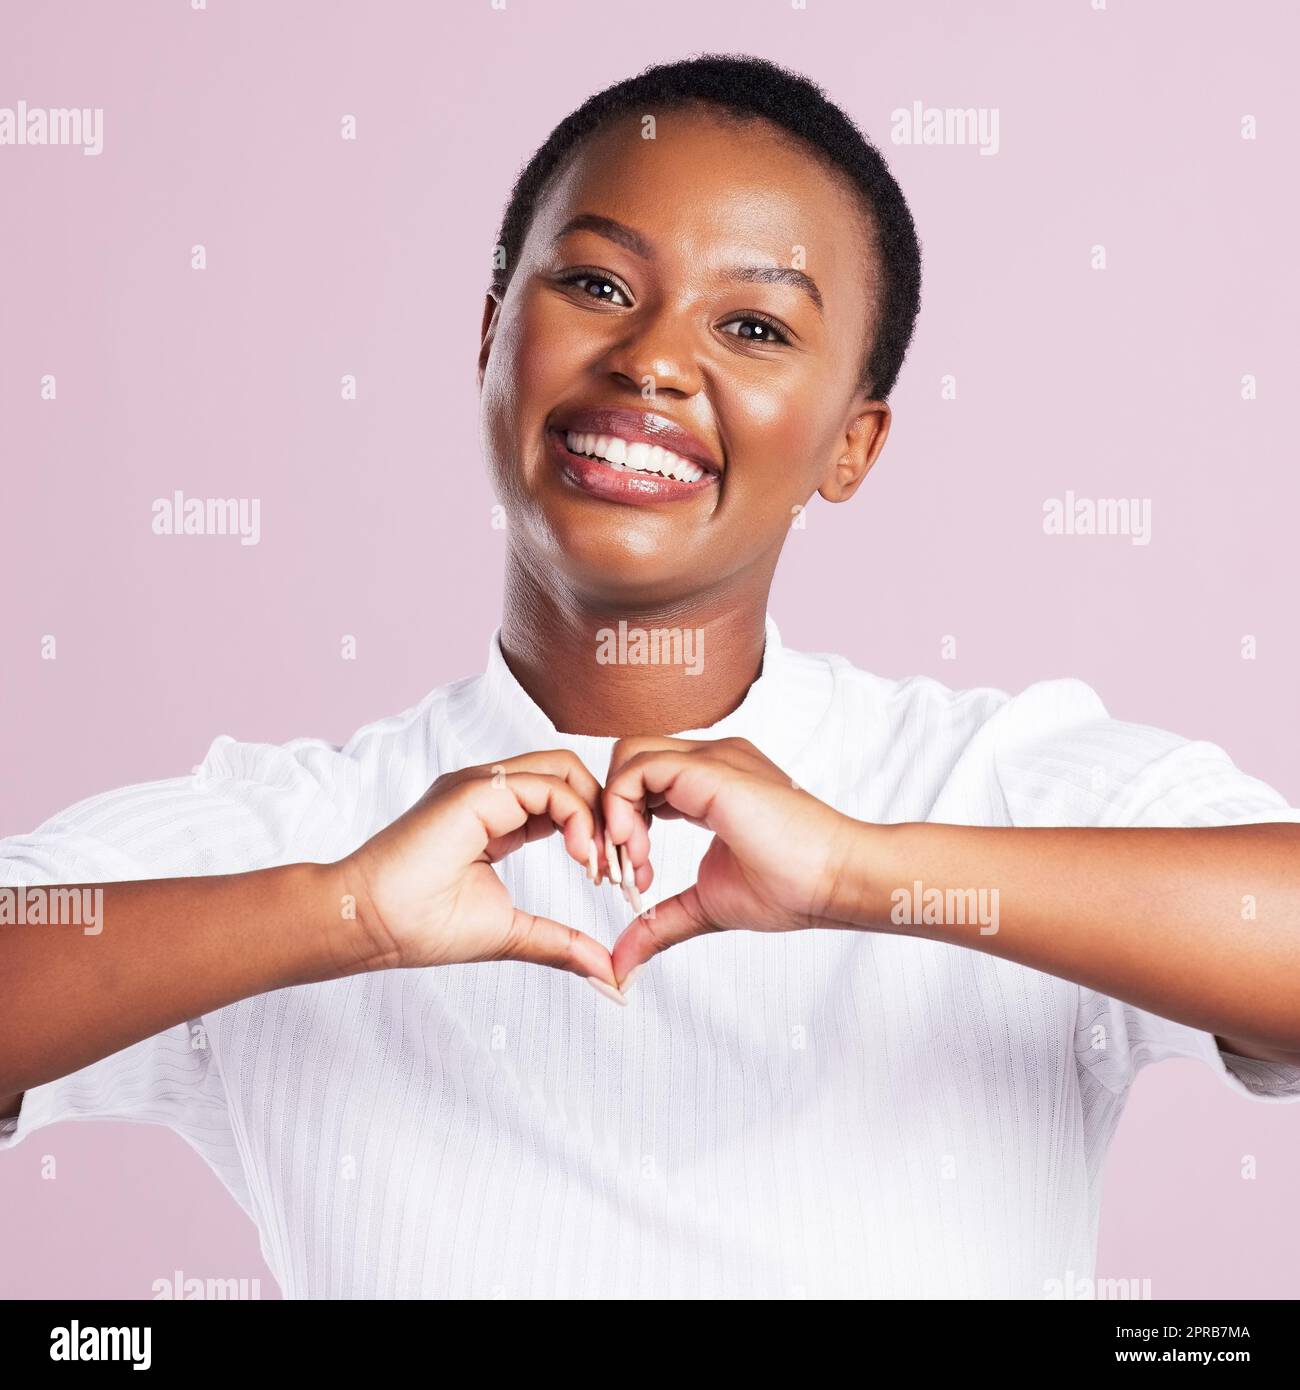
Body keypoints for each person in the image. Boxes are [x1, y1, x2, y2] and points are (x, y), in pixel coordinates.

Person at [3, 54, 1299, 1300]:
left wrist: (865, 872)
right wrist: (342, 913)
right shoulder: (296, 836)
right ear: (489, 334)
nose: (653, 360)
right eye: (599, 286)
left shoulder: (986, 784)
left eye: (753, 323)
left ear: (852, 446)